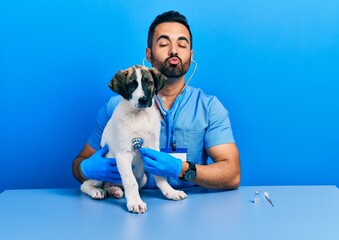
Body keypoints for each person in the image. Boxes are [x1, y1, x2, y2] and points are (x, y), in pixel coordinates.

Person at [72, 11, 240, 190]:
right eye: (164, 44)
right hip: (129, 203)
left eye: (182, 45)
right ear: (149, 54)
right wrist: (87, 170)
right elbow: (79, 164)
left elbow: (232, 175)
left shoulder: (209, 108)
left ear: (191, 56)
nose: (174, 50)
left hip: (189, 205)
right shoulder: (116, 107)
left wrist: (182, 169)